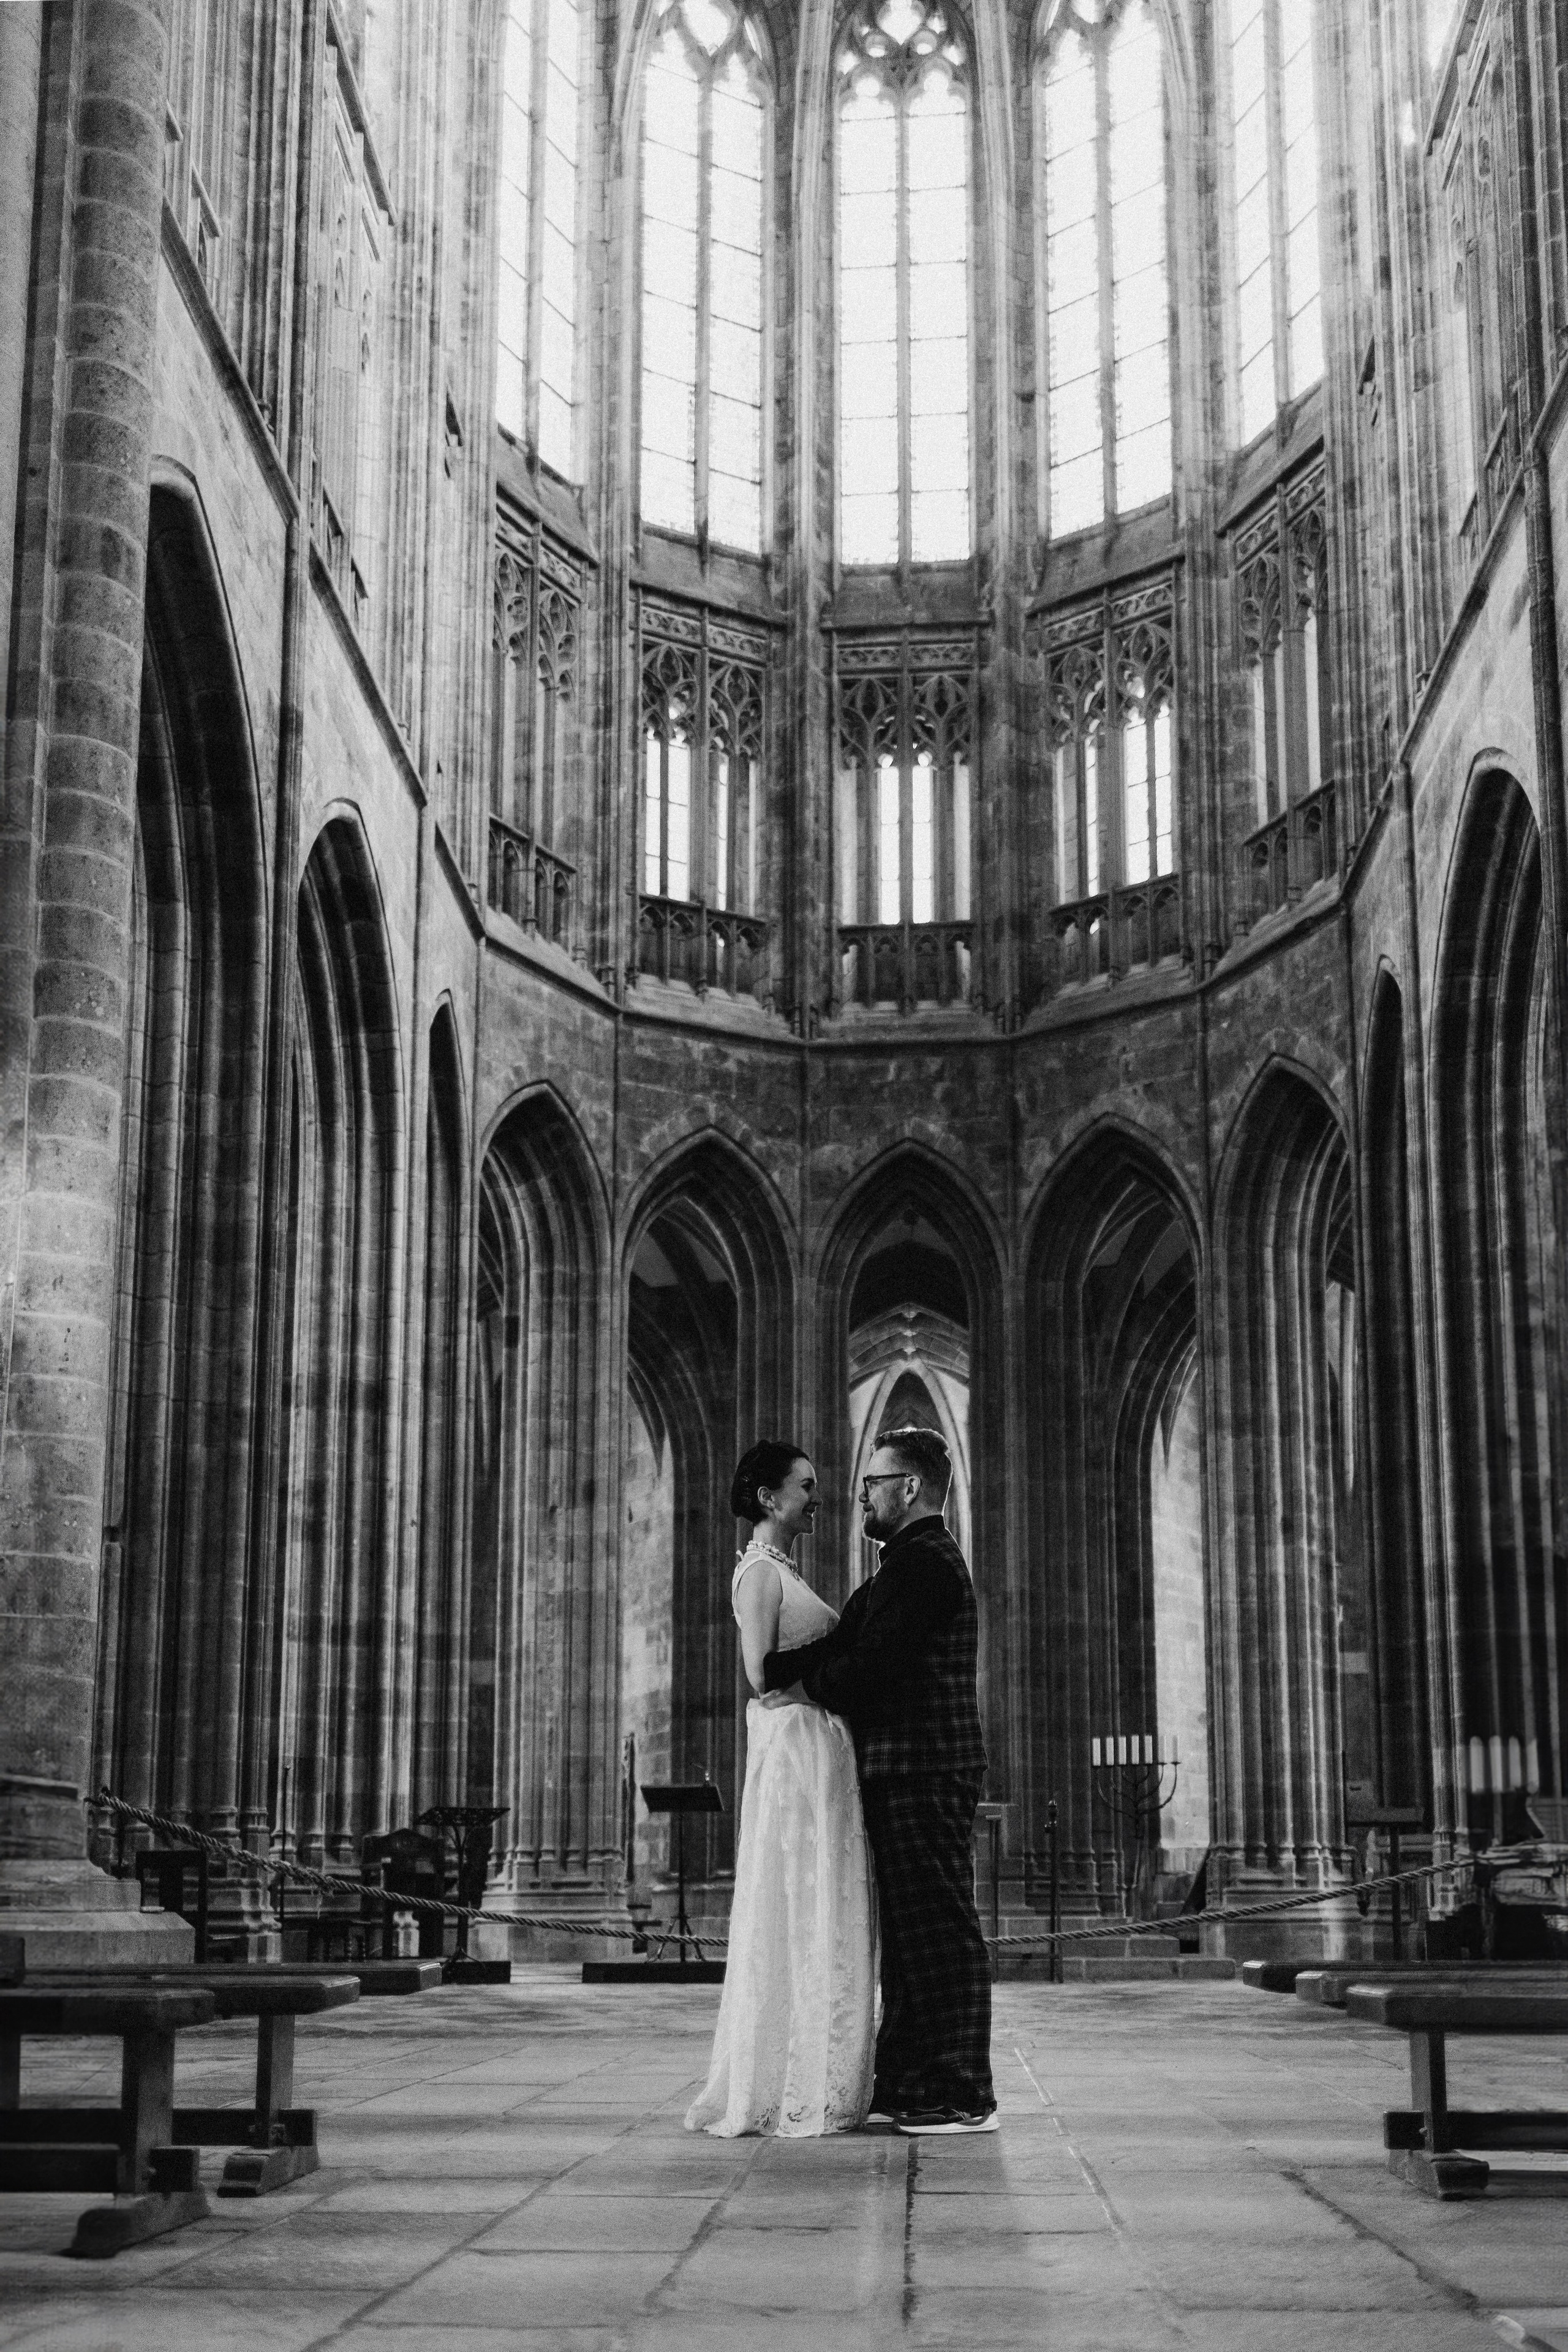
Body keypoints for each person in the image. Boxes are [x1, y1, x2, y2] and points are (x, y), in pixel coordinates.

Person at [763, 1425, 995, 2135]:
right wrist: (777, 1672)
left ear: (909, 1487)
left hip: (926, 1767)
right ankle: (909, 2081)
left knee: (938, 1931)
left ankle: (962, 2094)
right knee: (908, 1933)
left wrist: (806, 1691)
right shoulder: (903, 1566)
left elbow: (871, 1669)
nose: (860, 1494)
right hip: (905, 1770)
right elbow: (850, 1638)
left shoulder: (925, 1565)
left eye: (872, 1481)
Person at [684, 1440, 878, 2137]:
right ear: (769, 1498)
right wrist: (851, 1647)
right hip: (794, 1746)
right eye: (805, 1485)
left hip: (814, 1743)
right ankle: (789, 2079)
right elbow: (762, 1676)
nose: (816, 1496)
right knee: (799, 1896)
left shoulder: (783, 1568)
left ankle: (820, 2070)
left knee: (821, 1897)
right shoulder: (758, 1573)